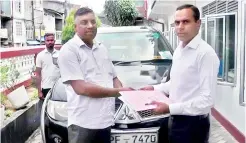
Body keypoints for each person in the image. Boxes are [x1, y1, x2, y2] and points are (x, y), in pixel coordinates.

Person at [140, 4, 220, 143]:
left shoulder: (205, 54)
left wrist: (170, 108)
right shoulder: (179, 50)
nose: (180, 27)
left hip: (194, 125)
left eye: (186, 21)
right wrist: (154, 88)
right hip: (176, 120)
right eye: (177, 22)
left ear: (198, 23)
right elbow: (177, 83)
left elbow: (207, 100)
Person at [58, 7, 131, 143]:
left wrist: (125, 94)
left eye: (93, 22)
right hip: (83, 124)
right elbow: (81, 88)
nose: (90, 26)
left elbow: (114, 78)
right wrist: (118, 92)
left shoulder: (101, 49)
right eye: (84, 22)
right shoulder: (69, 50)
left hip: (106, 120)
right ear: (75, 27)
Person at [35, 33, 60, 100]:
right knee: (47, 109)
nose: (50, 42)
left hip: (59, 87)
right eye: (48, 40)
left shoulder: (60, 54)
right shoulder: (40, 55)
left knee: (58, 108)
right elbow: (38, 74)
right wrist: (39, 91)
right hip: (46, 87)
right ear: (44, 42)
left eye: (52, 40)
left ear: (54, 41)